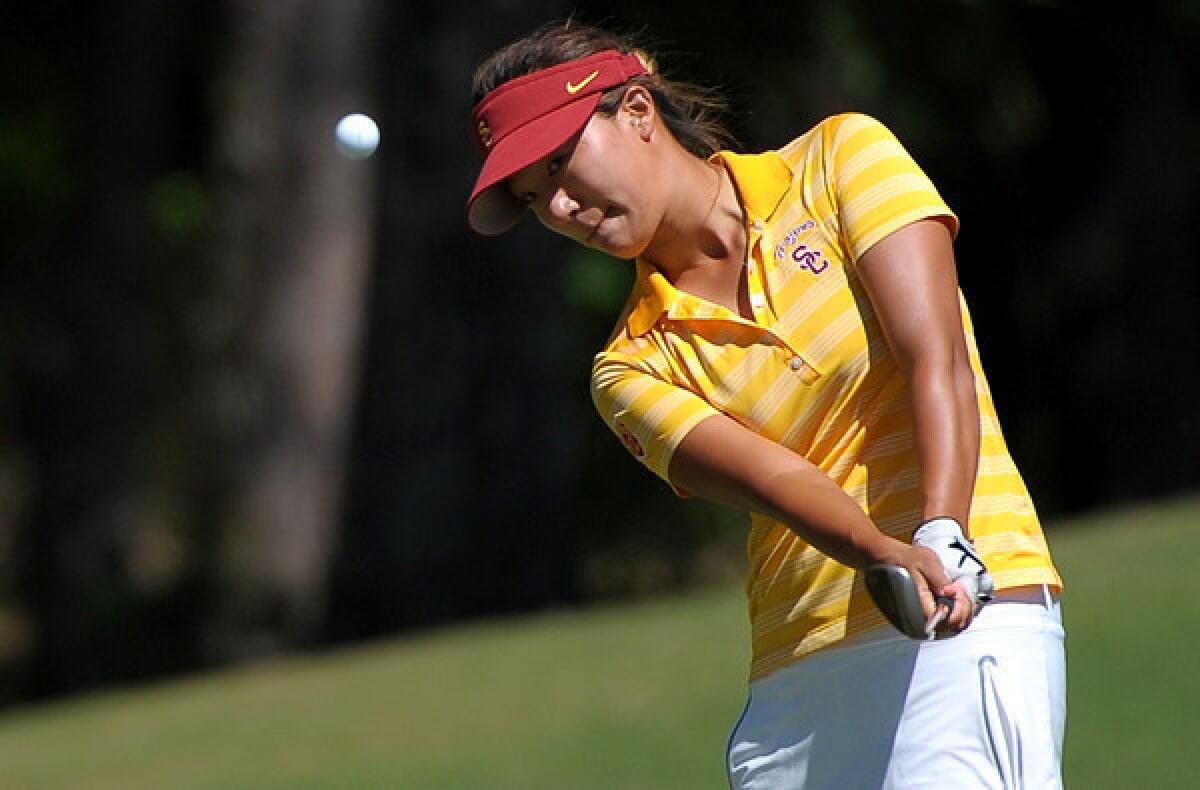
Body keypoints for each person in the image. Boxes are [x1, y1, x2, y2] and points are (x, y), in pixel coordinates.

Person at [466, 20, 1065, 789]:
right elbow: (779, 480)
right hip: (800, 678)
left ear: (639, 112)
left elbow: (935, 358)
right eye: (532, 195)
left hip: (968, 612)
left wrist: (941, 534)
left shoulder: (842, 157)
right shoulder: (628, 366)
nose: (558, 205)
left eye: (558, 163)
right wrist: (880, 554)